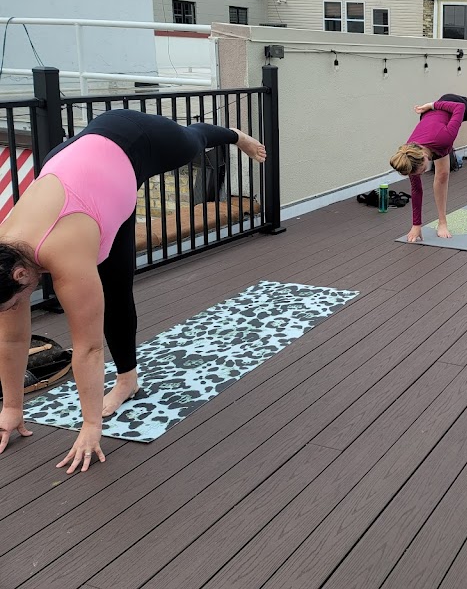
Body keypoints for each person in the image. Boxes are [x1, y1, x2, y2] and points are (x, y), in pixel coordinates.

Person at [0, 109, 267, 472]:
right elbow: (12, 341)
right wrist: (12, 408)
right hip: (96, 185)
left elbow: (89, 347)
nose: (14, 310)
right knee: (116, 286)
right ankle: (128, 380)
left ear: (20, 274)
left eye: (14, 303)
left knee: (192, 142)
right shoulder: (4, 255)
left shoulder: (64, 250)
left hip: (129, 138)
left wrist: (92, 426)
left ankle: (233, 134)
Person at [390, 94, 467, 243]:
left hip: (452, 105)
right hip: (434, 127)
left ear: (423, 155)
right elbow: (416, 190)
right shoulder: (410, 157)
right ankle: (442, 223)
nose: (423, 173)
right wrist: (416, 225)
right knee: (442, 175)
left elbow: (460, 108)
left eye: (423, 169)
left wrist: (432, 105)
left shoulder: (443, 137)